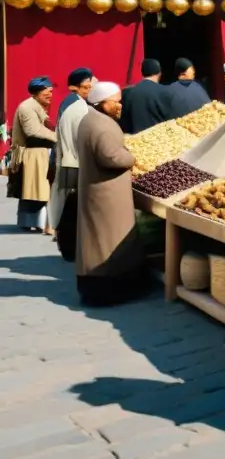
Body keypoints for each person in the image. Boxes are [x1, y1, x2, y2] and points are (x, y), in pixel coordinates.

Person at [76, 82, 151, 307]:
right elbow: (112, 157)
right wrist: (131, 157)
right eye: (115, 101)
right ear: (103, 103)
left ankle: (99, 288)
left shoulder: (89, 119)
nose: (120, 105)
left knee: (98, 242)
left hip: (98, 191)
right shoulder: (101, 126)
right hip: (107, 195)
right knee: (110, 242)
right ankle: (114, 291)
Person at [50, 78, 92, 259]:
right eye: (87, 86)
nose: (89, 90)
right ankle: (70, 248)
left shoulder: (68, 103)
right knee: (72, 207)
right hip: (74, 162)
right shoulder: (80, 108)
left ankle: (66, 246)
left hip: (65, 160)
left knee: (67, 205)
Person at [10, 77, 57, 234]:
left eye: (51, 91)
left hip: (40, 152)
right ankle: (39, 222)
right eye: (47, 91)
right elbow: (33, 131)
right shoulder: (27, 107)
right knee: (38, 190)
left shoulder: (36, 106)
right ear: (37, 92)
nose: (51, 94)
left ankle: (36, 222)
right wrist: (59, 137)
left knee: (37, 190)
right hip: (34, 153)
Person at [120, 59, 172, 134]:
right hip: (158, 140)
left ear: (142, 72)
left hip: (134, 141)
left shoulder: (126, 93)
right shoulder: (166, 91)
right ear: (159, 73)